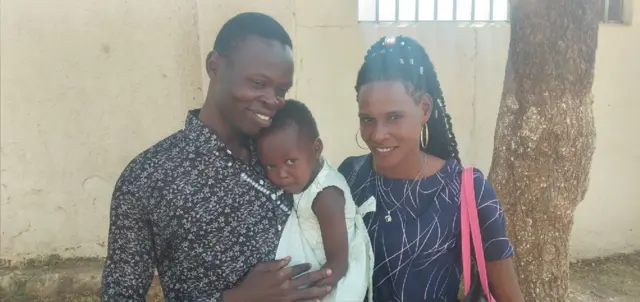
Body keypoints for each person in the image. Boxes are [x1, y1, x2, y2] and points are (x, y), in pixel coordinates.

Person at [101, 12, 332, 302]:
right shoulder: (150, 178)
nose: (273, 100)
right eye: (259, 83)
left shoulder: (282, 153)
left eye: (282, 89)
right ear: (214, 66)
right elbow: (120, 297)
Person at [337, 35, 525, 301]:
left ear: (424, 108)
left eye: (394, 117)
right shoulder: (349, 177)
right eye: (367, 119)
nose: (378, 135)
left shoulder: (466, 191)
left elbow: (508, 294)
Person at [256, 99, 374, 302]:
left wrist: (312, 292)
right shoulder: (305, 176)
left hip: (337, 281)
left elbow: (338, 263)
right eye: (270, 166)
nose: (281, 174)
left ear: (316, 148)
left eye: (290, 161)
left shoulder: (325, 196)